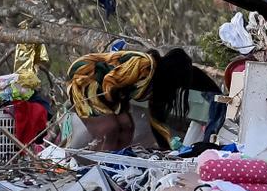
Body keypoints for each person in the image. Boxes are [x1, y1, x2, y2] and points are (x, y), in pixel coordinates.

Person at [66, 48, 219, 150]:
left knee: (127, 127)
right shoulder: (144, 65)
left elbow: (155, 121)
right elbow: (110, 81)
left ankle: (119, 158)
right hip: (85, 79)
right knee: (110, 129)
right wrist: (113, 111)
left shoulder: (156, 83)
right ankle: (104, 164)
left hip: (111, 93)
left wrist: (168, 150)